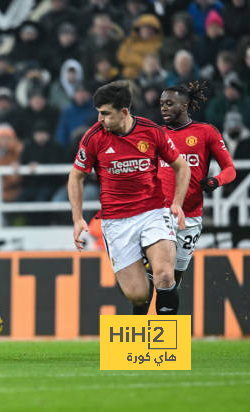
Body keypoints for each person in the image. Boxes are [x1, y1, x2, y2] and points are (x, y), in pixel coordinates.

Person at [68, 80, 191, 316]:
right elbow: (76, 177)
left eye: (105, 114)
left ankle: (165, 346)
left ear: (124, 112)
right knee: (138, 294)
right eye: (98, 113)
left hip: (153, 212)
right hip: (116, 221)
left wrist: (177, 203)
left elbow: (181, 167)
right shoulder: (94, 137)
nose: (99, 120)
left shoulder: (151, 131)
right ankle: (141, 276)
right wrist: (77, 218)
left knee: (165, 276)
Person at [130, 81, 235, 314]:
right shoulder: (157, 135)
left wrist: (215, 181)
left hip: (191, 218)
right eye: (161, 104)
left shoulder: (206, 132)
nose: (164, 108)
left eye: (169, 104)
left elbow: (230, 169)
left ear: (185, 105)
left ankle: (166, 341)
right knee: (152, 274)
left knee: (171, 280)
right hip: (159, 214)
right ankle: (136, 334)